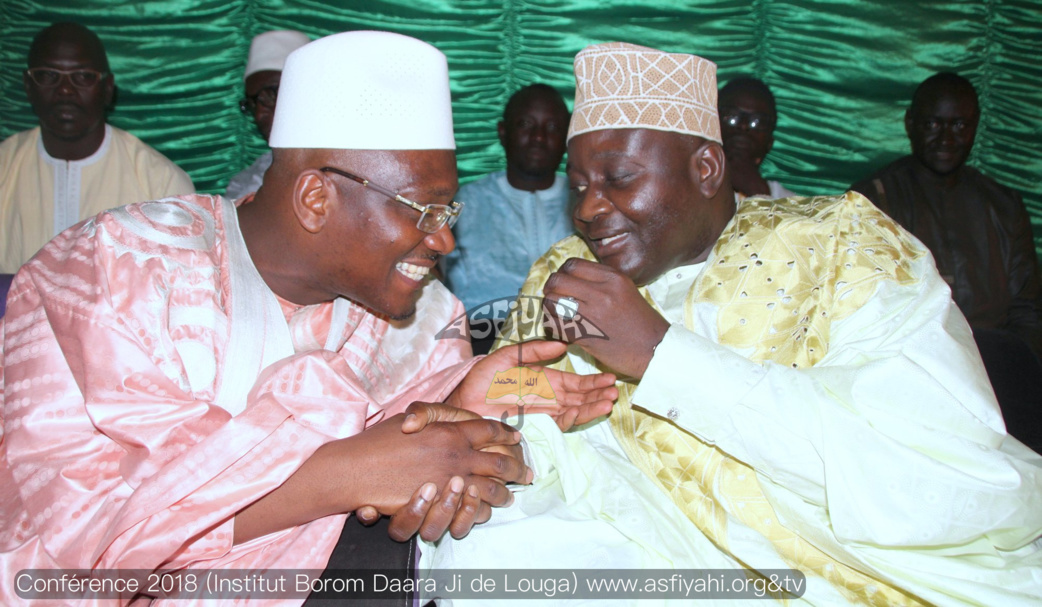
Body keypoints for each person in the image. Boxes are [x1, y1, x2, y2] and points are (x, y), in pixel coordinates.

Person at [0, 31, 616, 604]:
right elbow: (70, 544)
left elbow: (416, 448)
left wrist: (464, 397)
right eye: (425, 211)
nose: (445, 241)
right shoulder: (113, 268)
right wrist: (345, 474)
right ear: (317, 199)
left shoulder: (424, 312)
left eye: (448, 212)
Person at [422, 43, 1042, 606]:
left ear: (706, 169)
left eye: (619, 179)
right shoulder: (565, 272)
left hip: (840, 565)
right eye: (579, 184)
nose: (587, 207)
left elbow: (943, 470)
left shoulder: (843, 245)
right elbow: (521, 407)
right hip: (636, 541)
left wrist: (661, 354)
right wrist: (504, 446)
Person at [851, 72, 1042, 450]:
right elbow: (864, 310)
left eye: (959, 125)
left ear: (975, 126)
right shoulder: (873, 201)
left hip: (999, 373)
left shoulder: (1004, 205)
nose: (946, 138)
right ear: (910, 123)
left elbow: (1028, 312)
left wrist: (1006, 376)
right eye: (933, 124)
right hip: (913, 375)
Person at [0, 22, 194, 274]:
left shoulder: (163, 186)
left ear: (108, 88)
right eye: (48, 75)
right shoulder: (5, 166)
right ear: (28, 86)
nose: (65, 90)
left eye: (83, 76)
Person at [441, 84, 573, 354]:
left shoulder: (584, 202)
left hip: (572, 339)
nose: (538, 137)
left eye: (552, 127)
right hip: (481, 340)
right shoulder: (463, 203)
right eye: (526, 124)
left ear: (566, 138)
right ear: (503, 132)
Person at [225, 29, 310, 200]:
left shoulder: (350, 165)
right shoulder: (244, 183)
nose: (259, 114)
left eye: (271, 94)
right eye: (252, 103)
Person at [719, 76, 795, 201]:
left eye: (757, 122)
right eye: (732, 116)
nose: (743, 126)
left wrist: (757, 191)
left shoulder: (790, 204)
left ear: (769, 143)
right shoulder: (688, 188)